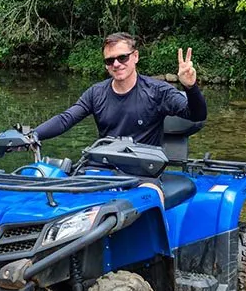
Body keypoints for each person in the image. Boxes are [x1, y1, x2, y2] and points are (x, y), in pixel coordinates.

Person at [33, 33, 208, 202]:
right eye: (110, 61)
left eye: (122, 58)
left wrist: (190, 87)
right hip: (101, 168)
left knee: (151, 196)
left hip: (142, 172)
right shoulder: (96, 93)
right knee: (57, 190)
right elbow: (66, 118)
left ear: (135, 56)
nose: (116, 64)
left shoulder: (157, 91)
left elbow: (197, 114)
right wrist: (32, 136)